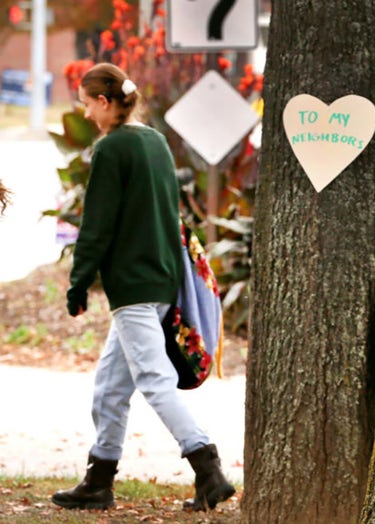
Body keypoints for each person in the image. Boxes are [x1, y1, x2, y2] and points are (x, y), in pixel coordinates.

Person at [51, 63, 235, 512]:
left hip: (133, 285)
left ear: (105, 102)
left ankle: (208, 468)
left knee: (154, 380)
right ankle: (98, 481)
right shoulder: (154, 142)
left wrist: (79, 285)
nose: (86, 111)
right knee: (110, 387)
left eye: (87, 102)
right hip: (162, 278)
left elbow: (97, 225)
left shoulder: (112, 148)